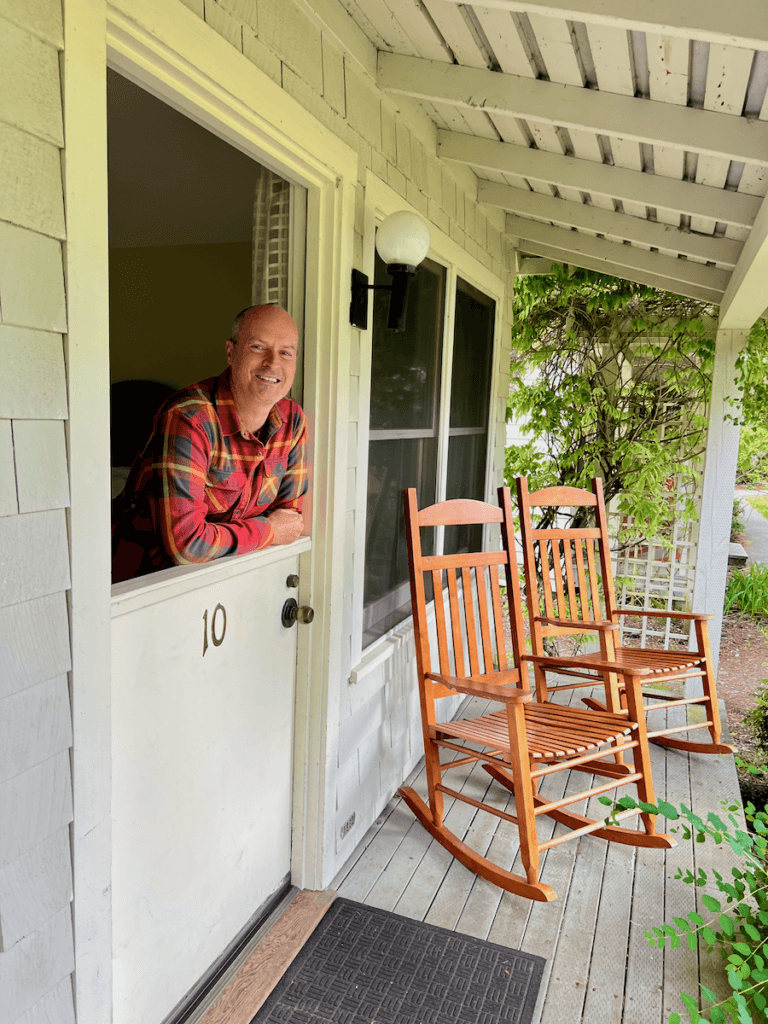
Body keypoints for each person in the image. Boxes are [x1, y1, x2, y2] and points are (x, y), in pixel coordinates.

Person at [112, 304, 307, 583]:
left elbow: (290, 519)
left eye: (285, 352)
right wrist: (269, 531)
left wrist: (271, 529)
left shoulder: (292, 421)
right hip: (146, 584)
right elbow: (186, 545)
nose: (272, 363)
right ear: (230, 352)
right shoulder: (190, 418)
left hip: (229, 576)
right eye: (258, 347)